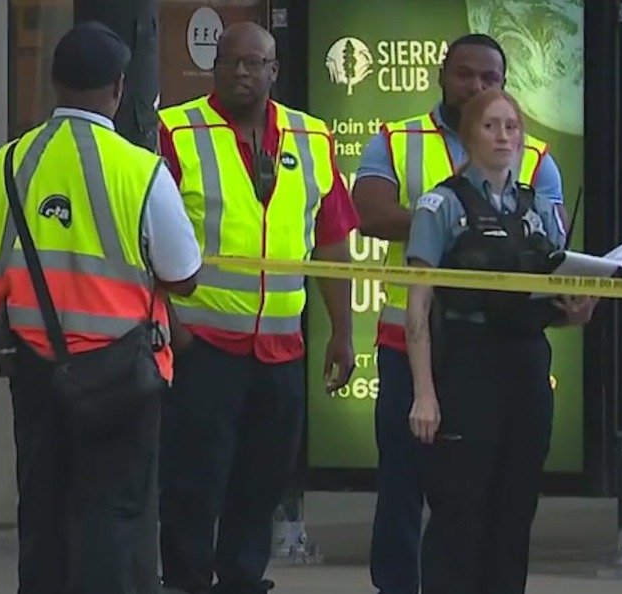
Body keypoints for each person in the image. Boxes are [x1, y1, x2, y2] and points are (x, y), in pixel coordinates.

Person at [0, 22, 202, 594]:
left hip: (33, 371)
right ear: (118, 88)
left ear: (53, 82)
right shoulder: (141, 170)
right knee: (114, 516)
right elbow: (185, 275)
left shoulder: (7, 163)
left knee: (42, 509)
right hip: (121, 375)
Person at [352, 33, 568, 594]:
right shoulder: (396, 141)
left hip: (504, 348)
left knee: (503, 496)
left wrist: (574, 296)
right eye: (464, 75)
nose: (476, 87)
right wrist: (461, 226)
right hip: (413, 344)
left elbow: (554, 254)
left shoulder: (537, 157)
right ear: (442, 76)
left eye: (489, 79)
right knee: (405, 485)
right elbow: (371, 214)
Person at [155, 21, 359, 594]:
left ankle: (243, 578)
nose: (241, 73)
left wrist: (341, 332)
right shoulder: (177, 130)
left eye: (254, 63)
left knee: (264, 475)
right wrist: (170, 321)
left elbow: (332, 237)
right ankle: (187, 578)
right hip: (202, 343)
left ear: (274, 70)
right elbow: (147, 240)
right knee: (194, 476)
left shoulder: (311, 137)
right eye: (230, 62)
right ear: (215, 67)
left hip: (280, 345)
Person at [404, 88, 596, 594]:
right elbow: (418, 305)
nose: (503, 136)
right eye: (491, 126)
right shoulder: (439, 205)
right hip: (467, 366)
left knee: (515, 510)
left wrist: (578, 308)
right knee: (459, 510)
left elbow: (560, 295)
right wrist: (425, 393)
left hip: (527, 366)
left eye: (511, 126)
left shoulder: (537, 209)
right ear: (469, 136)